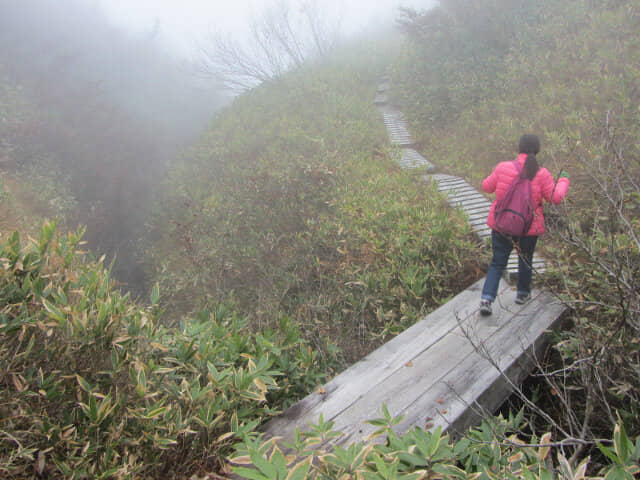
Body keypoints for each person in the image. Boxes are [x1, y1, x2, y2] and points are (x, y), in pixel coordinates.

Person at [479, 134, 570, 316]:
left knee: (497, 262)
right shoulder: (542, 173)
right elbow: (555, 198)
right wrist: (563, 181)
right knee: (526, 259)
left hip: (502, 225)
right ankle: (522, 294)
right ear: (537, 151)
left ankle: (487, 299)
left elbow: (486, 187)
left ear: (518, 148)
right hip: (529, 228)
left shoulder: (503, 167)